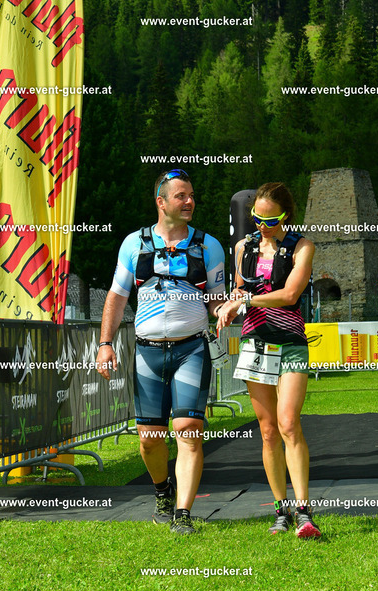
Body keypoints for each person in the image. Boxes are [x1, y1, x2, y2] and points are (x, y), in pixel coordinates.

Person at [96, 169, 226, 535]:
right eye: (181, 196)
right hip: (147, 353)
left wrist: (224, 310)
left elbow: (215, 299)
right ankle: (162, 492)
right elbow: (117, 297)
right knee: (150, 440)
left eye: (191, 195)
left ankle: (183, 514)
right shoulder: (133, 244)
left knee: (188, 428)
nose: (190, 202)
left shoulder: (208, 246)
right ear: (161, 202)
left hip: (191, 349)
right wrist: (105, 344)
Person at [217, 182, 321, 538]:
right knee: (267, 431)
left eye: (270, 220)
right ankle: (281, 510)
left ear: (286, 216)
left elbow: (290, 294)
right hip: (256, 343)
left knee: (289, 423)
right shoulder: (242, 247)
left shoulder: (302, 246)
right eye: (256, 218)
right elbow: (239, 288)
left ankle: (304, 511)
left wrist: (245, 302)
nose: (262, 226)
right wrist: (230, 305)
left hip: (290, 342)